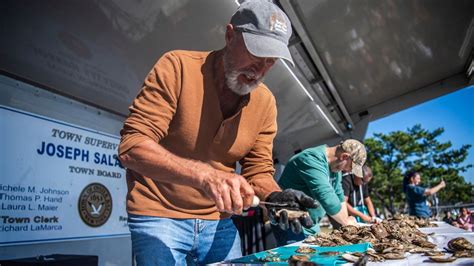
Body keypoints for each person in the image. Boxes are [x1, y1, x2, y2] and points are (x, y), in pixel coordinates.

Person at [118, 2, 317, 265]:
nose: (260, 69)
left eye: (271, 61)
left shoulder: (265, 103)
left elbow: (258, 171)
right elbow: (132, 148)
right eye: (256, 53)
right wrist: (205, 176)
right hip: (159, 213)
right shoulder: (177, 67)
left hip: (218, 221)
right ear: (230, 36)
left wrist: (274, 196)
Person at [272, 139, 367, 246]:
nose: (349, 171)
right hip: (290, 223)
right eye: (350, 167)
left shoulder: (336, 170)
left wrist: (345, 225)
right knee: (294, 260)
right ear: (344, 157)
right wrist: (347, 223)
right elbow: (326, 197)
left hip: (311, 224)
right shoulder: (311, 158)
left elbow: (339, 197)